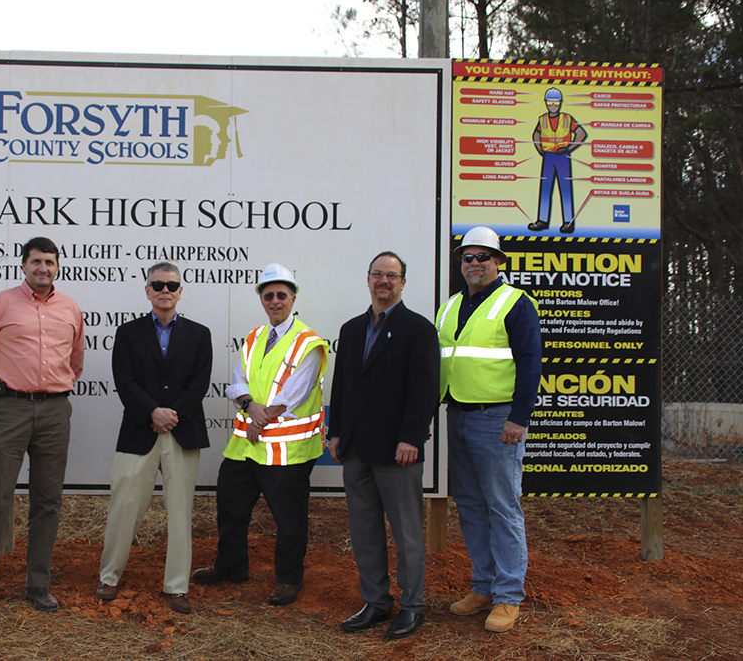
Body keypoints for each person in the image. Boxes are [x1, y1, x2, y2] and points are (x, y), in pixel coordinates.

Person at [193, 263, 328, 606]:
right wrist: (249, 404)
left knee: (289, 519)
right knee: (231, 505)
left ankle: (288, 579)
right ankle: (231, 565)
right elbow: (236, 381)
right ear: (262, 300)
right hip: (246, 447)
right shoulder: (254, 338)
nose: (275, 300)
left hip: (287, 450)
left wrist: (260, 417)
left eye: (281, 294)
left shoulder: (308, 343)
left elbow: (293, 395)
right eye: (268, 295)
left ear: (293, 298)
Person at [0, 236, 84, 612]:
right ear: (24, 265)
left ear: (58, 266)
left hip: (54, 412)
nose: (43, 268)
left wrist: (50, 392)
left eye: (49, 262)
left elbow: (75, 362)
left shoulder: (70, 309)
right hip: (9, 410)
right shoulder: (1, 304)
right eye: (36, 262)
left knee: (47, 501)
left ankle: (38, 583)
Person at [328, 251, 441, 639]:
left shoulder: (419, 329)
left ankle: (413, 606)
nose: (384, 281)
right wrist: (336, 431)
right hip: (356, 447)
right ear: (368, 278)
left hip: (398, 449)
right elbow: (343, 385)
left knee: (407, 532)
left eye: (392, 276)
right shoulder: (351, 329)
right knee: (364, 530)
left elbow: (425, 390)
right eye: (378, 274)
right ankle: (376, 602)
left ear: (403, 283)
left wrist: (412, 436)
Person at [437, 226, 541, 633]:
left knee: (502, 506)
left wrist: (519, 417)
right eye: (468, 257)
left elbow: (530, 363)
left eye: (483, 256)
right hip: (458, 415)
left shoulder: (515, 303)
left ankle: (508, 596)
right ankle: (483, 585)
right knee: (471, 505)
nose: (474, 263)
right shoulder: (450, 306)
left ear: (498, 262)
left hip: (497, 419)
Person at [96, 262, 213, 614]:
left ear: (180, 291)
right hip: (139, 430)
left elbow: (199, 383)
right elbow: (124, 380)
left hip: (182, 430)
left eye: (172, 285)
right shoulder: (128, 333)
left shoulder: (199, 334)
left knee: (180, 512)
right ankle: (109, 576)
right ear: (147, 290)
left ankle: (176, 587)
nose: (165, 291)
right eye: (157, 285)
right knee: (124, 508)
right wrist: (152, 412)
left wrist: (171, 414)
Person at [528, 87, 588, 234]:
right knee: (545, 188)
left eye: (556, 103)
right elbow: (536, 134)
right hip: (548, 156)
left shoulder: (566, 118)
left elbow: (581, 133)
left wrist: (569, 148)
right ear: (546, 103)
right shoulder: (542, 119)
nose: (553, 106)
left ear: (560, 103)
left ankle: (568, 222)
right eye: (550, 103)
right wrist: (540, 149)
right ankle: (542, 221)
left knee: (565, 189)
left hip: (562, 156)